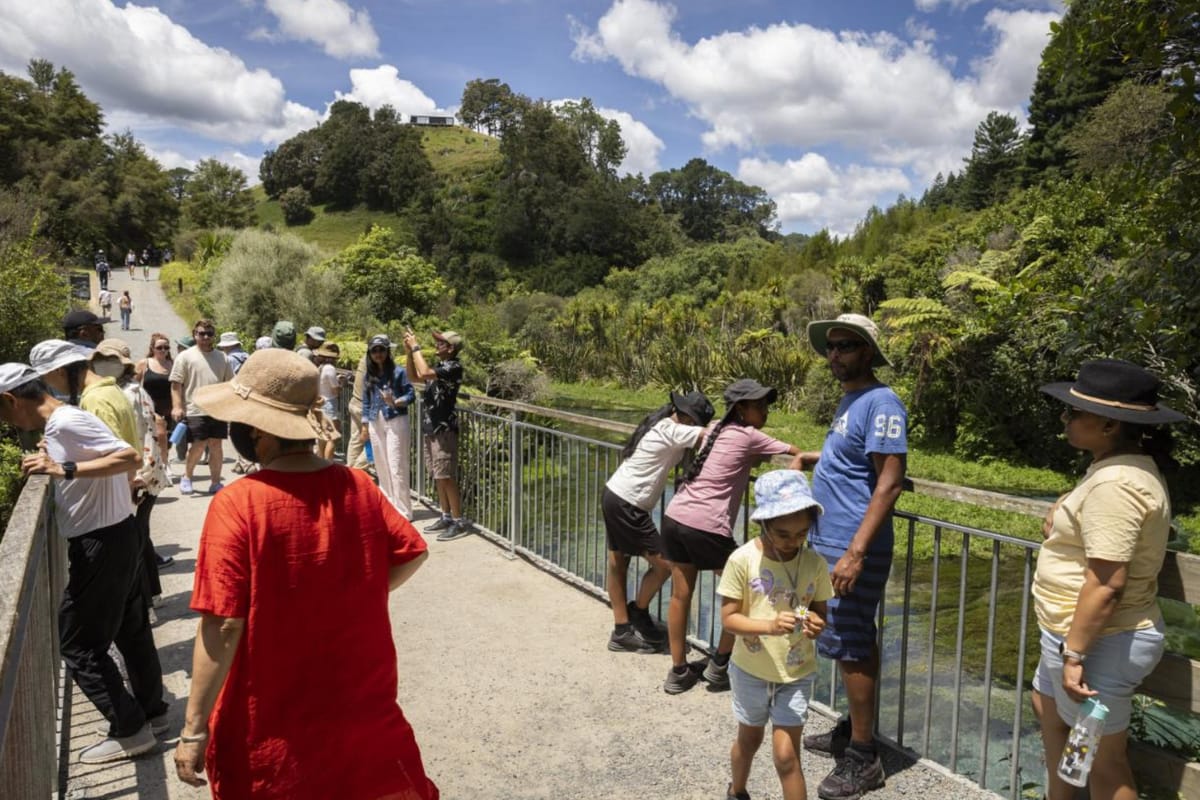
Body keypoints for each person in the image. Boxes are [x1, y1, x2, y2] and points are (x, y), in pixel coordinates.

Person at [172, 349, 438, 800]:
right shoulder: (357, 486)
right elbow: (412, 552)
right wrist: (357, 592)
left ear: (256, 431)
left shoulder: (238, 504)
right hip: (360, 704)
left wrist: (194, 730)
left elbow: (224, 624)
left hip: (273, 720)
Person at [0, 363, 169, 765]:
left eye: (2, 412)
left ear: (11, 400)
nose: (6, 421)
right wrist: (54, 455)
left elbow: (127, 457)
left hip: (101, 543)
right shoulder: (62, 426)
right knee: (129, 628)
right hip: (118, 534)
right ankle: (150, 712)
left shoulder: (64, 422)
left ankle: (130, 729)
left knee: (76, 642)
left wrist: (63, 468)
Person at [1032, 359, 1185, 800]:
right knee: (1048, 709)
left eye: (1074, 412)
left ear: (1108, 424)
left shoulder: (1115, 484)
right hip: (1076, 637)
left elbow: (1107, 582)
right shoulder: (1114, 470)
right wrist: (1064, 509)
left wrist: (1075, 654)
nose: (1066, 418)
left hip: (1100, 645)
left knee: (1103, 762)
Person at [799, 313, 906, 800]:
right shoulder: (852, 401)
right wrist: (812, 459)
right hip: (832, 542)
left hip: (851, 546)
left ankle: (864, 758)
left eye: (845, 346)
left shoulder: (882, 402)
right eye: (832, 347)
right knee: (851, 640)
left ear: (867, 351)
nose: (835, 354)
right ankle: (853, 730)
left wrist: (856, 552)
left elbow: (890, 479)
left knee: (853, 642)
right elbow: (852, 456)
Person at [661, 378, 805, 695]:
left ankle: (678, 671)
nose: (766, 411)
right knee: (747, 591)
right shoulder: (750, 436)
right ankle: (719, 665)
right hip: (706, 526)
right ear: (741, 408)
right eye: (760, 405)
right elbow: (797, 452)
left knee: (679, 595)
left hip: (675, 516)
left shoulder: (714, 427)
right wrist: (801, 460)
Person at [718, 470, 832, 800]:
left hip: (796, 673)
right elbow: (729, 619)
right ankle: (737, 790)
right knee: (749, 740)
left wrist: (816, 623)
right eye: (783, 533)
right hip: (751, 671)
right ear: (763, 523)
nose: (793, 541)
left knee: (786, 756)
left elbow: (821, 613)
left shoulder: (815, 563)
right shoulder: (742, 560)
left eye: (801, 533)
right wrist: (768, 626)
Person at [603, 390, 714, 653]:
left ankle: (622, 629)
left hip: (617, 494)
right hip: (627, 502)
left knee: (617, 563)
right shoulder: (672, 429)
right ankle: (638, 612)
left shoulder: (666, 425)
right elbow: (707, 437)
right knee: (665, 564)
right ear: (688, 418)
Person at [93, 339, 174, 604]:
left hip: (138, 474)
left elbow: (155, 431)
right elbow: (158, 428)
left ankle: (143, 601)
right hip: (147, 472)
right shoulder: (134, 390)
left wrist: (137, 475)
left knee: (134, 540)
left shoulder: (121, 394)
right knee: (140, 535)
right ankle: (151, 595)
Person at [404, 329, 469, 541]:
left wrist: (415, 347)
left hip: (444, 430)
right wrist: (408, 353)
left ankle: (459, 522)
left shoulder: (453, 366)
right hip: (430, 427)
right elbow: (414, 376)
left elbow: (423, 373)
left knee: (446, 476)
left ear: (450, 348)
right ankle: (446, 515)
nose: (437, 345)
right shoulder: (440, 367)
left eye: (441, 342)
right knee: (438, 475)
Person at [170, 319, 234, 495]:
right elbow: (176, 384)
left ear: (214, 336)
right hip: (195, 409)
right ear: (194, 335)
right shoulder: (185, 356)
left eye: (209, 334)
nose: (205, 337)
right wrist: (177, 406)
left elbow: (229, 384)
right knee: (198, 446)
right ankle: (187, 477)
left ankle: (215, 483)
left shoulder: (223, 357)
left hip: (217, 409)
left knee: (216, 445)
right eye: (201, 333)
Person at [362, 335, 416, 518]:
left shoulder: (398, 372)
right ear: (370, 353)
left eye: (381, 350)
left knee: (397, 465)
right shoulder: (369, 375)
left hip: (395, 420)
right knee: (381, 465)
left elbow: (411, 395)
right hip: (375, 422)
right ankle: (388, 506)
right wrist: (364, 426)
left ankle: (403, 511)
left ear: (388, 351)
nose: (378, 354)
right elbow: (366, 402)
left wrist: (396, 401)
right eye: (374, 350)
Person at [137, 333, 175, 480]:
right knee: (160, 435)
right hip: (150, 406)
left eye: (166, 347)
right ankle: (163, 466)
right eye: (159, 347)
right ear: (153, 348)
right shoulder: (144, 363)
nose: (163, 350)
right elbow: (134, 384)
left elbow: (179, 386)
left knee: (168, 440)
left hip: (170, 407)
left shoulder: (173, 364)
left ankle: (163, 462)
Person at [315, 341, 343, 461]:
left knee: (322, 437)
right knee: (332, 437)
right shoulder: (330, 368)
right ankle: (328, 464)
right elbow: (335, 390)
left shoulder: (320, 368)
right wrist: (342, 383)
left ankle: (321, 463)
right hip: (330, 404)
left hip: (321, 403)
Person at [345, 349, 372, 471]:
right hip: (364, 407)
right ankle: (357, 469)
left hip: (354, 402)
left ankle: (349, 471)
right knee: (375, 443)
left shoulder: (363, 359)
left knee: (356, 440)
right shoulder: (375, 362)